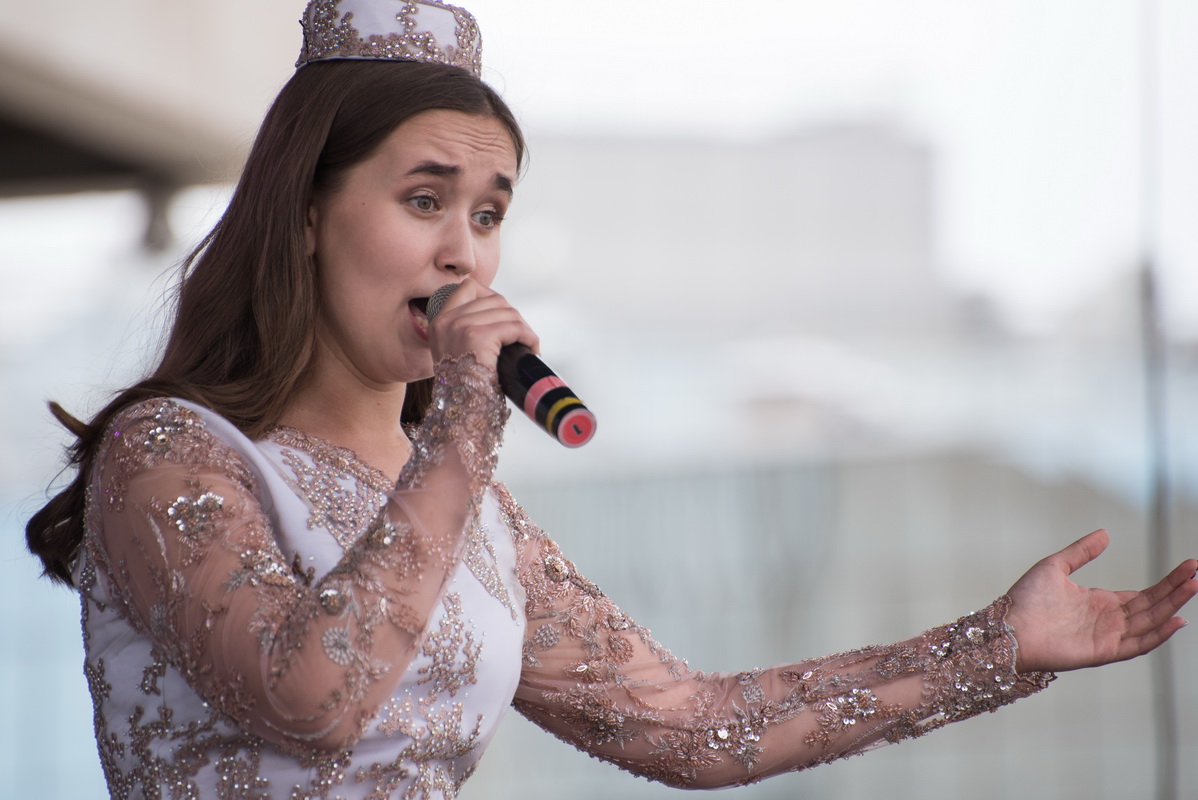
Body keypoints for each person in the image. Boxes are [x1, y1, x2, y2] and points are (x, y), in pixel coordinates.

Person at [25, 1, 1198, 798]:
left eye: (488, 213)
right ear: (305, 216)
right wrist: (467, 420)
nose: (463, 251)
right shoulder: (173, 452)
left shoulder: (467, 513)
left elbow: (693, 723)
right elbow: (310, 695)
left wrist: (993, 645)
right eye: (424, 198)